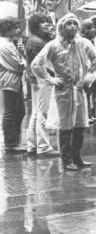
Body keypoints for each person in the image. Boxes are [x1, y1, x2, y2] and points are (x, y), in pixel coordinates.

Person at [31, 14, 96, 171]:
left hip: (79, 89)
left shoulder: (83, 43)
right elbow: (36, 64)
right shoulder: (53, 45)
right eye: (68, 24)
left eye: (75, 23)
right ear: (61, 27)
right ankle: (66, 160)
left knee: (80, 125)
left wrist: (89, 78)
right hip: (63, 91)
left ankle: (77, 157)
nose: (72, 27)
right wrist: (51, 79)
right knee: (65, 126)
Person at [25, 13, 59, 156]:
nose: (47, 25)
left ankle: (32, 145)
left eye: (47, 22)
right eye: (43, 23)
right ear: (35, 26)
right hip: (44, 79)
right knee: (43, 112)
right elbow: (46, 63)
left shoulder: (33, 40)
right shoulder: (38, 43)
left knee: (36, 113)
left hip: (36, 80)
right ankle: (43, 146)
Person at [0, 18, 26, 152]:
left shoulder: (11, 43)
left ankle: (15, 140)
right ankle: (11, 143)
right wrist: (23, 62)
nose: (18, 30)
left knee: (20, 111)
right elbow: (18, 65)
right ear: (7, 29)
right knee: (11, 111)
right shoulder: (4, 45)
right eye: (15, 27)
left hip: (15, 80)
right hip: (9, 80)